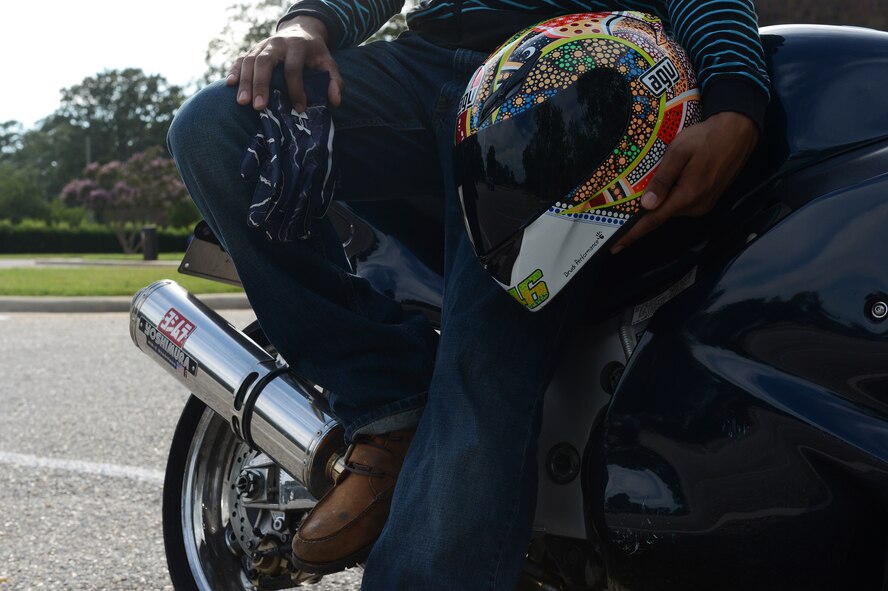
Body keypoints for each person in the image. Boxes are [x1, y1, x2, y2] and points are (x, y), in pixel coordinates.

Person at [167, 1, 768, 588]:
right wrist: (308, 22)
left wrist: (737, 100)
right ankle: (388, 400)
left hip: (566, 73)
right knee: (215, 128)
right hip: (422, 63)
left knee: (483, 371)